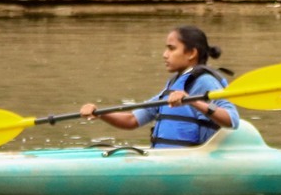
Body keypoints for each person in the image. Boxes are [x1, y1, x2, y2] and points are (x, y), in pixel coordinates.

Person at [80, 26, 240, 147]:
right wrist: (100, 113)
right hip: (166, 158)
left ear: (191, 53)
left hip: (192, 161)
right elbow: (132, 120)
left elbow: (232, 120)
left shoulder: (205, 81)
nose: (165, 54)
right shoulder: (173, 84)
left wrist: (193, 101)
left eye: (171, 48)